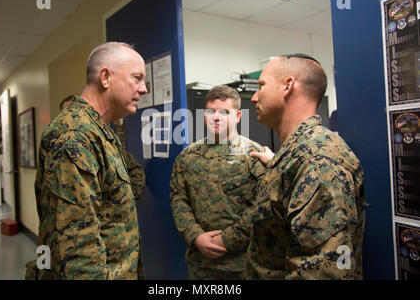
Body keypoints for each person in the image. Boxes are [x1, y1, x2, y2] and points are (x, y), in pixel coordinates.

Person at [26, 42, 148, 280]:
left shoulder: (97, 131)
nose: (143, 89)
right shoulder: (75, 135)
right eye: (137, 78)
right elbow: (76, 247)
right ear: (105, 77)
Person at [246, 53, 365, 280]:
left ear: (288, 85)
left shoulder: (317, 161)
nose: (254, 97)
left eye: (261, 86)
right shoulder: (296, 156)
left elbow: (322, 272)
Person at [170, 85, 266, 280]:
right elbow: (179, 199)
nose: (216, 117)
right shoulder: (188, 157)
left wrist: (226, 240)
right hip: (201, 263)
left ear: (238, 116)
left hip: (243, 264)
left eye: (224, 112)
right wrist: (195, 236)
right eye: (210, 112)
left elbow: (262, 206)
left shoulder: (255, 155)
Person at [60, 96, 146, 201]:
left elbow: (135, 170)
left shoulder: (103, 144)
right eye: (70, 113)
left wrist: (125, 199)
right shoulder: (57, 145)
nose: (75, 117)